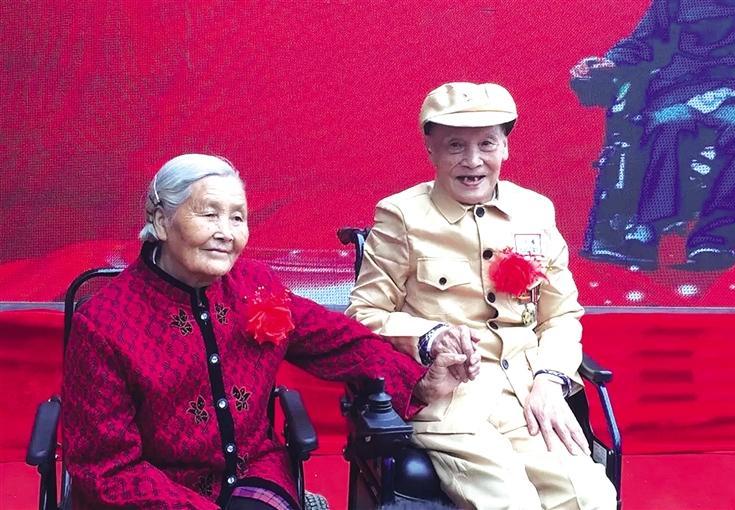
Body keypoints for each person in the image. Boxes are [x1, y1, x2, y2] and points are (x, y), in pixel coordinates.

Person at [62, 154, 465, 509]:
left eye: (237, 217)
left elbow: (335, 340)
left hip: (253, 469)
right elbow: (105, 468)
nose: (226, 232)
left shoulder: (254, 285)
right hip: (153, 490)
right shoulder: (104, 323)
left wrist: (419, 380)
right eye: (209, 214)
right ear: (160, 221)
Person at [347, 82, 616, 509]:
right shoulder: (402, 216)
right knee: (512, 503)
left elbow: (561, 314)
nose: (473, 161)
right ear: (431, 150)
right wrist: (430, 337)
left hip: (528, 394)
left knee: (590, 497)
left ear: (505, 147)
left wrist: (550, 380)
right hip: (449, 400)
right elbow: (363, 313)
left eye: (487, 144)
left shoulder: (536, 212)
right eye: (455, 145)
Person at [573, 0, 735, 271]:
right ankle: (646, 229)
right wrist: (611, 62)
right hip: (685, 86)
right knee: (666, 123)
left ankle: (713, 240)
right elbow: (644, 42)